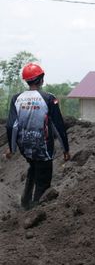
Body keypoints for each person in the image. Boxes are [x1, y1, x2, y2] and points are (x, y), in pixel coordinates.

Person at [5, 62, 70, 210]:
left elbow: (11, 126)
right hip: (43, 147)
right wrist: (66, 149)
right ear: (40, 79)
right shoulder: (48, 98)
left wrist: (12, 148)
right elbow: (58, 126)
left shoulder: (16, 98)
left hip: (25, 147)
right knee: (43, 181)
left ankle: (25, 202)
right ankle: (36, 210)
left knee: (33, 168)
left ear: (27, 80)